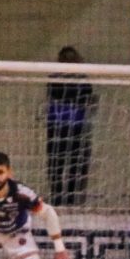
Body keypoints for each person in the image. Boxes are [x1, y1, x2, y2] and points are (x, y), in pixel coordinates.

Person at [46, 46, 96, 206]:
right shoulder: (54, 79)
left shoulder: (83, 80)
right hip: (57, 125)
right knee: (57, 165)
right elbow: (61, 95)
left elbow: (85, 99)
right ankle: (58, 198)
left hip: (77, 126)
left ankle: (72, 199)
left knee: (75, 165)